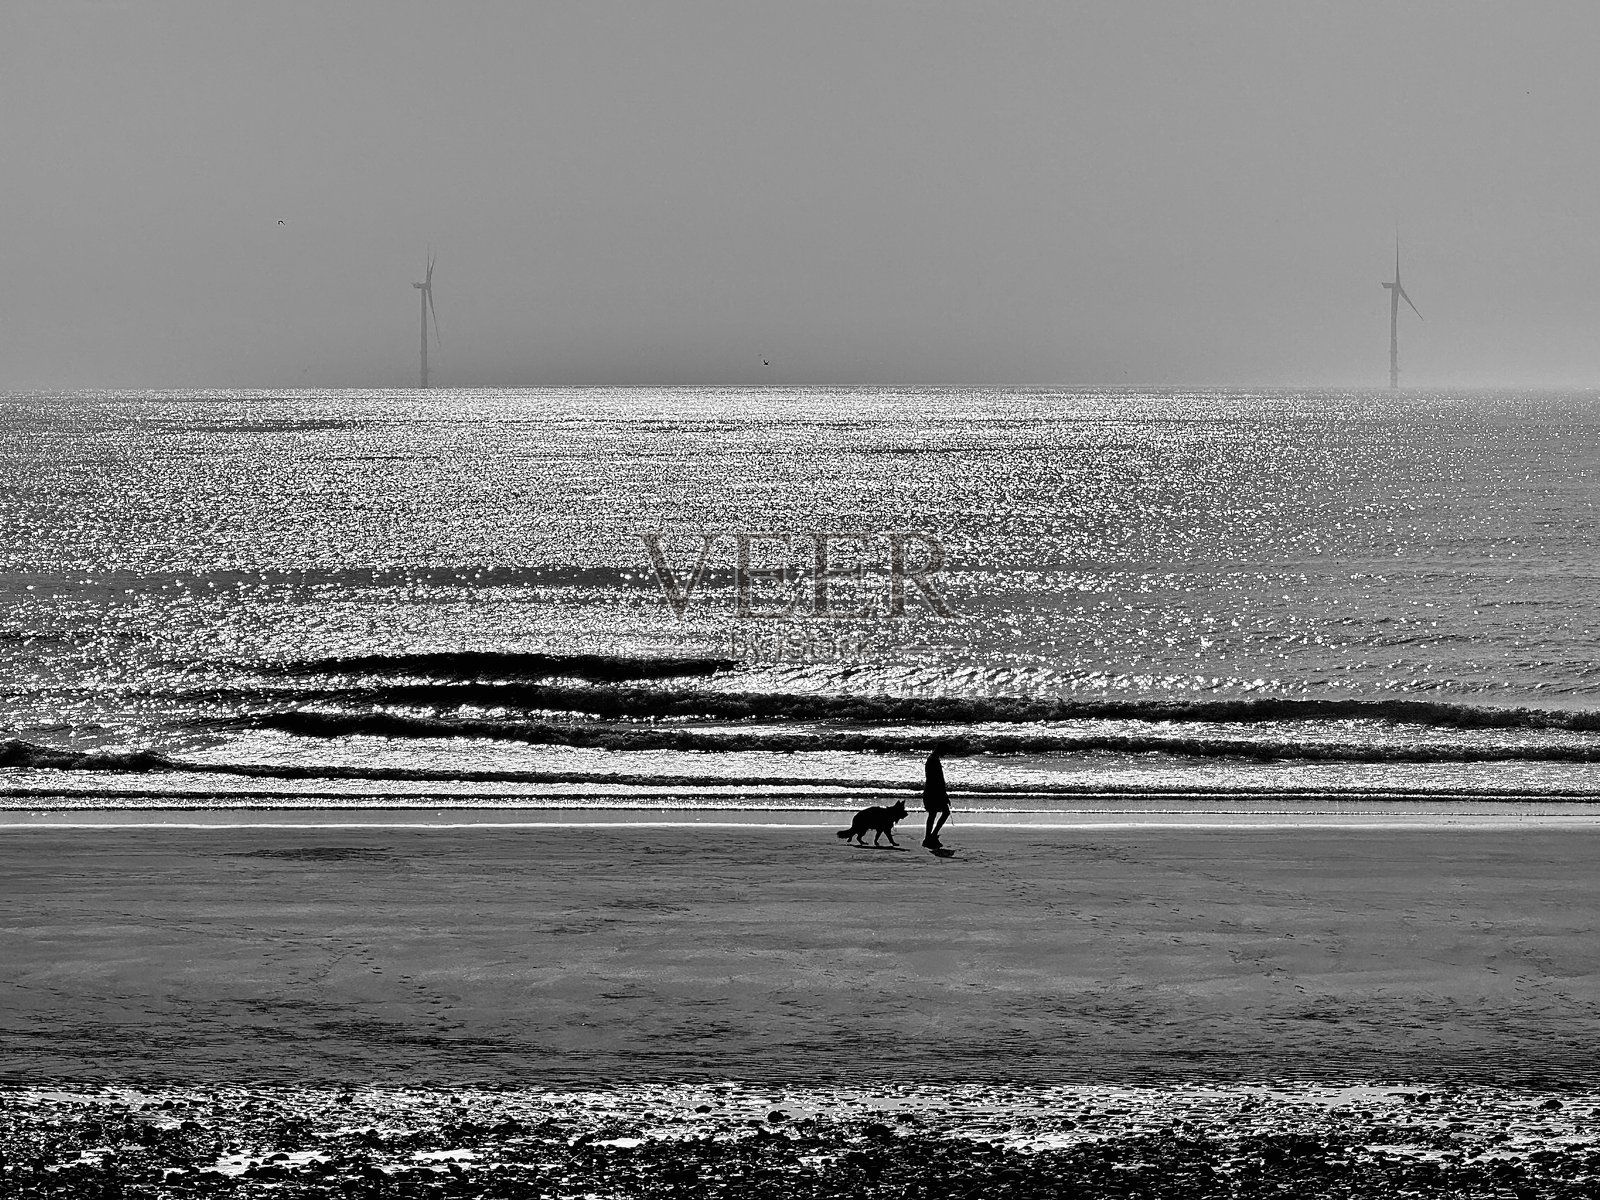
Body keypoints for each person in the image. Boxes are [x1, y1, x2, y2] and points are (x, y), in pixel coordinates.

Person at [922, 748, 950, 849]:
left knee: (933, 814)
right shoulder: (933, 760)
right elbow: (937, 779)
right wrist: (943, 794)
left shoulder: (932, 759)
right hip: (935, 791)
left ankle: (929, 837)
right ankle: (931, 836)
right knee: (943, 812)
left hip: (931, 790)